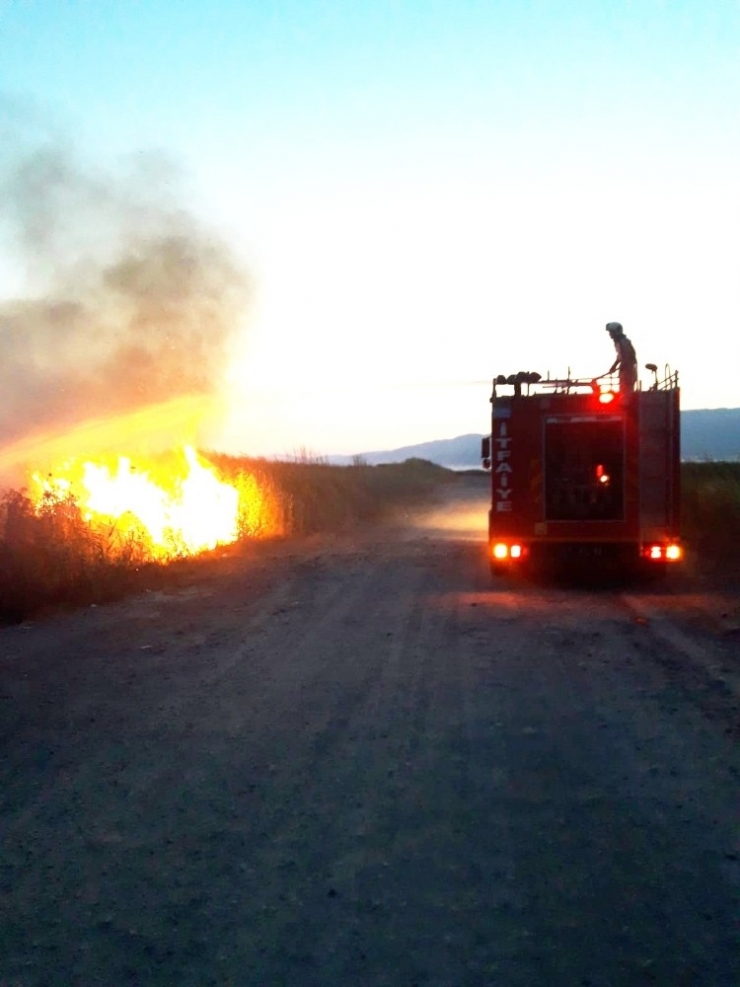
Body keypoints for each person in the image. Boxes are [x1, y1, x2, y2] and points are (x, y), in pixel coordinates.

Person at [605, 321, 637, 394]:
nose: (610, 334)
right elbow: (620, 357)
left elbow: (628, 356)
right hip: (625, 370)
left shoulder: (624, 342)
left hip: (628, 371)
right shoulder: (618, 343)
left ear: (616, 332)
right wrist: (614, 366)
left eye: (611, 332)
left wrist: (623, 365)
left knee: (626, 390)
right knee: (623, 389)